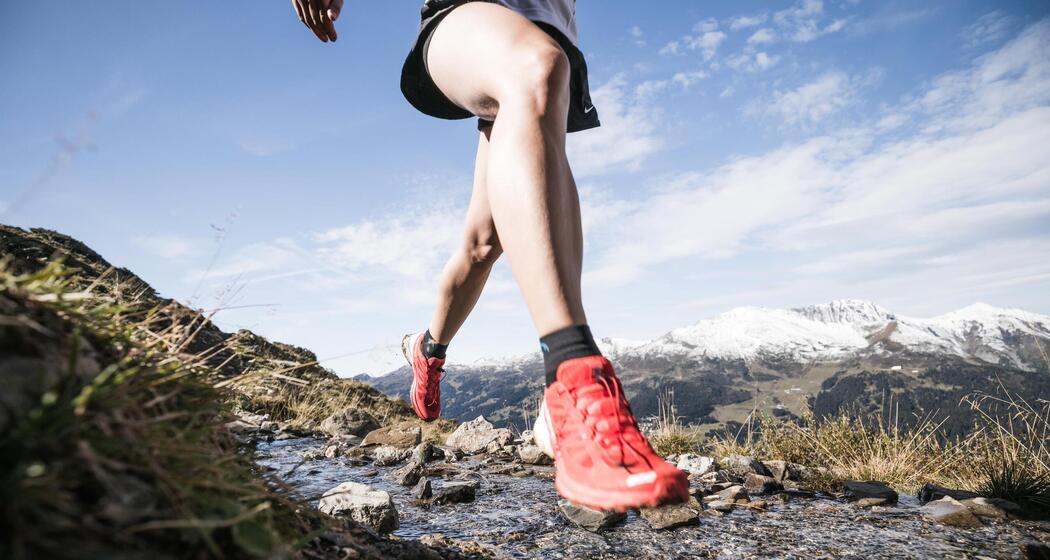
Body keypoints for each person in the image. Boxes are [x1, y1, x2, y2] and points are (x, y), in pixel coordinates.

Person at [291, 0, 688, 511]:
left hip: (541, 37)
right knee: (537, 66)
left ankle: (428, 349)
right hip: (468, 22)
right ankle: (571, 380)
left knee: (484, 243)